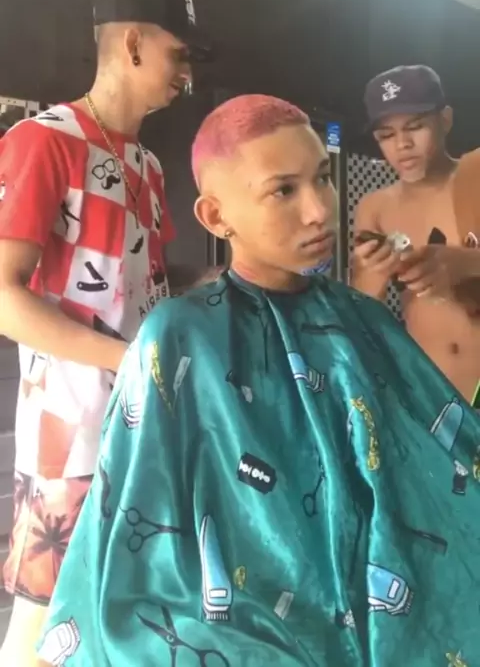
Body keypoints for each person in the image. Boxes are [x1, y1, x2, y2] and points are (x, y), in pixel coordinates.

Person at [38, 94, 480, 667]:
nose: (320, 210)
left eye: (322, 178)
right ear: (215, 217)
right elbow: (132, 517)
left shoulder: (363, 318)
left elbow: (441, 464)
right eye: (284, 191)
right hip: (242, 617)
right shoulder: (178, 336)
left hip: (374, 595)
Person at [0, 0, 209, 667]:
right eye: (179, 53)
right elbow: (4, 297)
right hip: (68, 438)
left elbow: (148, 283)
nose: (187, 72)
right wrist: (127, 359)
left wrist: (233, 274)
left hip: (144, 427)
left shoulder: (148, 165)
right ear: (132, 44)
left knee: (123, 620)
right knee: (42, 629)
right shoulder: (42, 141)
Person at [352, 65, 480, 405]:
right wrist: (372, 272)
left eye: (415, 127)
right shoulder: (375, 208)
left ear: (446, 120)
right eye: (386, 135)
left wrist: (465, 263)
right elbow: (362, 310)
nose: (402, 145)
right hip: (427, 396)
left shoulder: (476, 175)